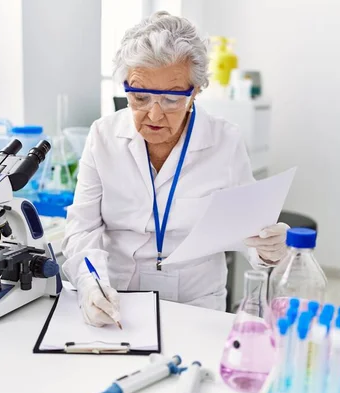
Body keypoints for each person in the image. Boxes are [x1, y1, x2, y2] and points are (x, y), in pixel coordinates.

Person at [62, 11, 289, 327]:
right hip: (116, 300)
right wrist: (89, 284)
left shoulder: (225, 141)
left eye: (171, 99)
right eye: (139, 96)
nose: (154, 114)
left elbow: (248, 233)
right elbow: (81, 229)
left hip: (196, 305)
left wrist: (269, 247)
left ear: (195, 91)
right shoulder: (103, 136)